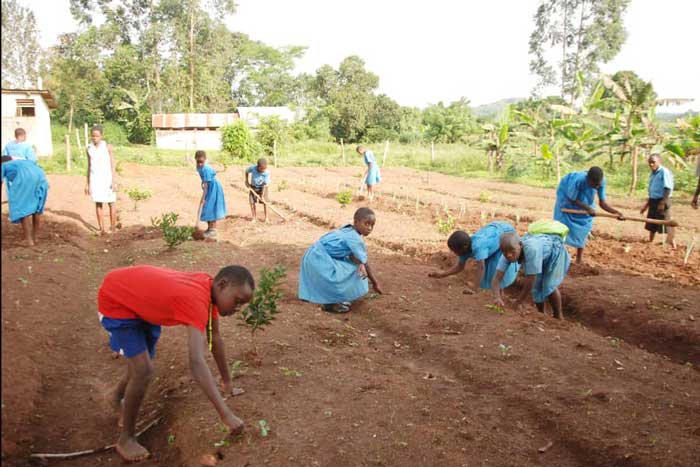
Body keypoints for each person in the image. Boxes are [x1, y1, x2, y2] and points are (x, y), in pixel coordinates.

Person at [97, 264, 255, 462]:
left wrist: (227, 382)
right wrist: (226, 414)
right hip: (117, 300)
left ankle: (116, 396)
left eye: (242, 305)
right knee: (143, 370)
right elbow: (196, 362)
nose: (237, 308)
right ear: (222, 285)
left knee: (141, 365)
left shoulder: (209, 291)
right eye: (237, 301)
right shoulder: (196, 301)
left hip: (141, 305)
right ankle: (126, 438)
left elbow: (214, 336)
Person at [298, 207, 383, 313]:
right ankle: (331, 304)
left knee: (351, 267)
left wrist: (360, 264)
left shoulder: (349, 230)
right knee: (344, 274)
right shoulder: (355, 238)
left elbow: (354, 256)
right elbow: (366, 263)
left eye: (372, 225)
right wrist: (375, 283)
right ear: (356, 222)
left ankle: (335, 299)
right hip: (318, 258)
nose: (369, 228)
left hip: (315, 254)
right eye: (367, 224)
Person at [553, 166, 624, 264]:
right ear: (588, 179)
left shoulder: (601, 181)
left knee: (585, 227)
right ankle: (558, 256)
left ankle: (579, 259)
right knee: (562, 227)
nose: (597, 187)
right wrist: (587, 208)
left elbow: (602, 203)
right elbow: (572, 198)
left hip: (585, 201)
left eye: (598, 185)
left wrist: (616, 212)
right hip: (567, 198)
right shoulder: (578, 180)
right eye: (595, 185)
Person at [493, 231, 571, 319]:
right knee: (536, 287)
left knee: (549, 285)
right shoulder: (506, 252)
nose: (509, 255)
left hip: (554, 253)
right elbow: (497, 278)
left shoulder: (531, 250)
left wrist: (518, 302)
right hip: (540, 256)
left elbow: (531, 280)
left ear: (520, 245)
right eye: (505, 252)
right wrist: (497, 297)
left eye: (512, 251)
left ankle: (558, 316)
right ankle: (541, 314)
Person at [428, 222, 520, 294]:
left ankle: (501, 292)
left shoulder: (478, 247)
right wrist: (442, 274)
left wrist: (474, 288)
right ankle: (499, 291)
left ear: (464, 247)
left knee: (496, 267)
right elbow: (459, 266)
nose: (454, 253)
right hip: (492, 231)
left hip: (505, 232)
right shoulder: (465, 249)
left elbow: (481, 267)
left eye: (455, 251)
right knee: (489, 265)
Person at [1, 156, 49, 246]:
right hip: (40, 175)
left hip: (25, 178)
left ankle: (29, 240)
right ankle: (35, 237)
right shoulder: (22, 162)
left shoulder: (3, 165)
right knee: (36, 208)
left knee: (21, 207)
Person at [85, 125, 118, 235]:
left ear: (101, 136)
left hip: (107, 179)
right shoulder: (89, 148)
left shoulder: (107, 147)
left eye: (97, 136)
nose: (95, 138)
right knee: (98, 203)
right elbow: (89, 166)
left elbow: (113, 164)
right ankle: (101, 229)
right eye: (93, 136)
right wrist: (87, 183)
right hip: (95, 179)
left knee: (111, 203)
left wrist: (114, 181)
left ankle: (112, 227)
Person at [640, 154, 675, 248]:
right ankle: (650, 241)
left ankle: (671, 243)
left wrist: (662, 203)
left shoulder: (664, 171)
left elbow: (668, 188)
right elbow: (652, 191)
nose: (651, 164)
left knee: (666, 222)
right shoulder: (653, 173)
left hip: (662, 200)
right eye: (650, 162)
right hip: (653, 200)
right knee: (651, 221)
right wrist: (646, 205)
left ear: (659, 162)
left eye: (653, 162)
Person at [195, 150, 226, 238]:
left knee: (211, 207)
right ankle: (209, 228)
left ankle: (213, 230)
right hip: (209, 187)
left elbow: (206, 185)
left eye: (201, 162)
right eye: (198, 162)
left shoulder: (206, 169)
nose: (200, 164)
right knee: (207, 208)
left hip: (213, 188)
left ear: (205, 160)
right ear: (196, 160)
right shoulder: (199, 167)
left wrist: (203, 198)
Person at [244, 158, 270, 223]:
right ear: (258, 167)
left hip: (263, 187)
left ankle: (266, 218)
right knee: (252, 202)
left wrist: (262, 196)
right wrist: (246, 181)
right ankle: (254, 218)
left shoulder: (266, 172)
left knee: (265, 202)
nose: (263, 170)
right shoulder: (253, 168)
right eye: (261, 169)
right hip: (253, 187)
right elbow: (246, 171)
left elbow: (264, 184)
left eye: (264, 169)